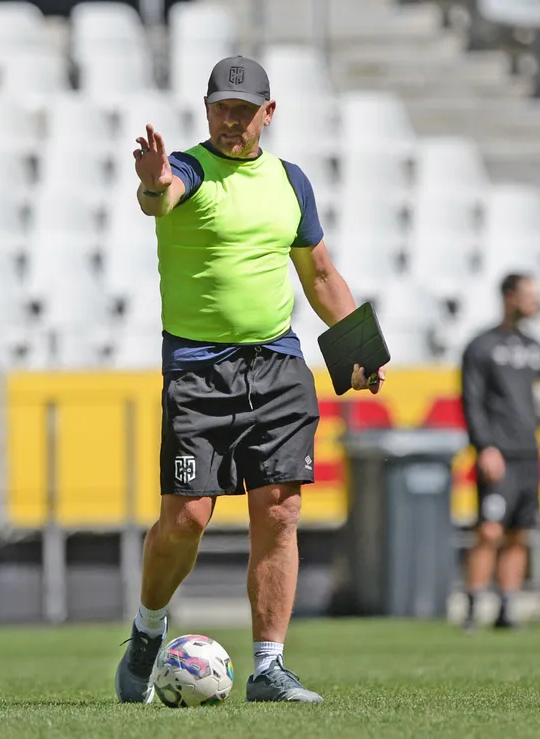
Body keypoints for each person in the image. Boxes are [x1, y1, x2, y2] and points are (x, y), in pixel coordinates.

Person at [115, 56, 386, 703]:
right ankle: (148, 630)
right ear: (207, 110)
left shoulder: (291, 181)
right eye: (221, 108)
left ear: (269, 112)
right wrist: (152, 184)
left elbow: (320, 273)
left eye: (243, 109)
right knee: (186, 519)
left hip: (278, 365)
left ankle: (269, 667)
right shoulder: (188, 168)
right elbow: (161, 197)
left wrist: (361, 348)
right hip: (198, 370)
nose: (231, 120)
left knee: (281, 509)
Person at [461, 273, 540, 631]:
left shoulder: (535, 347)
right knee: (489, 531)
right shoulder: (481, 346)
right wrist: (484, 446)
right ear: (509, 297)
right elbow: (471, 400)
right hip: (498, 452)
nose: (535, 301)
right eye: (528, 294)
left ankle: (506, 609)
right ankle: (472, 608)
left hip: (529, 453)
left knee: (520, 533)